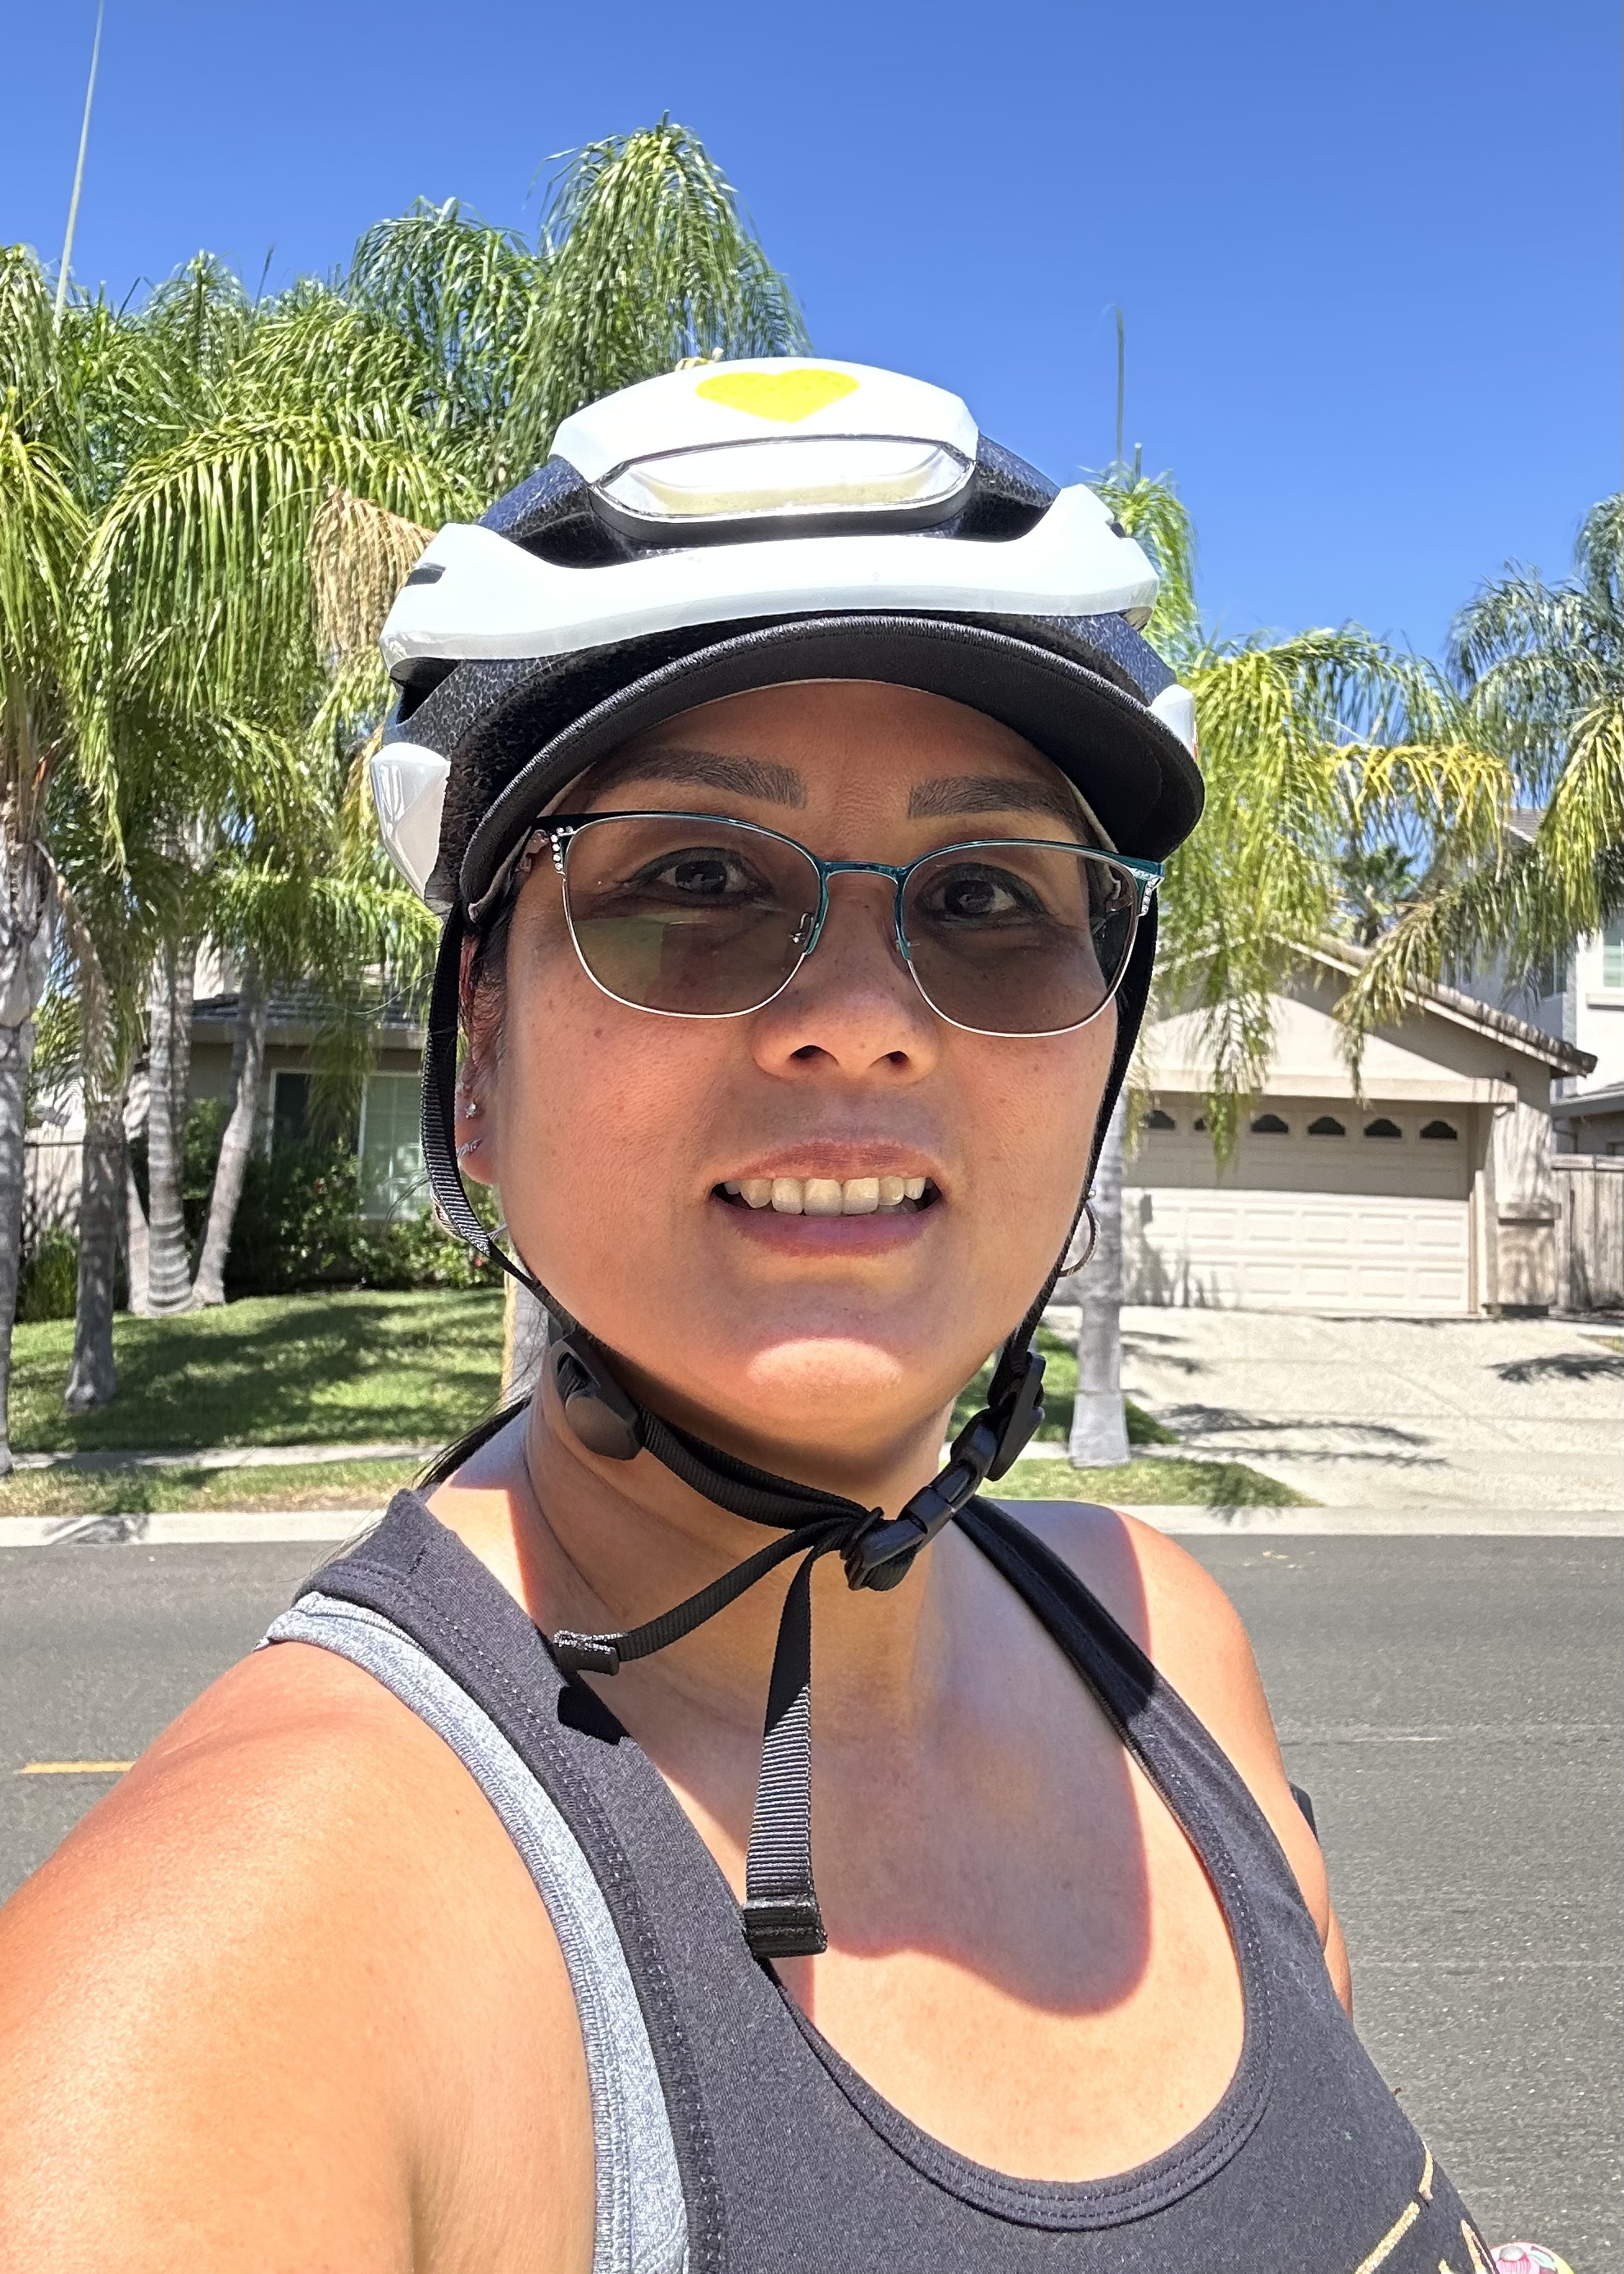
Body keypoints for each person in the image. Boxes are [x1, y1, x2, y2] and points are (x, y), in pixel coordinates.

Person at [0, 359, 1508, 2273]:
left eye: (989, 896)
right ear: (480, 1059)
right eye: (695, 878)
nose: (862, 1019)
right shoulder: (235, 1977)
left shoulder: (1165, 1640)